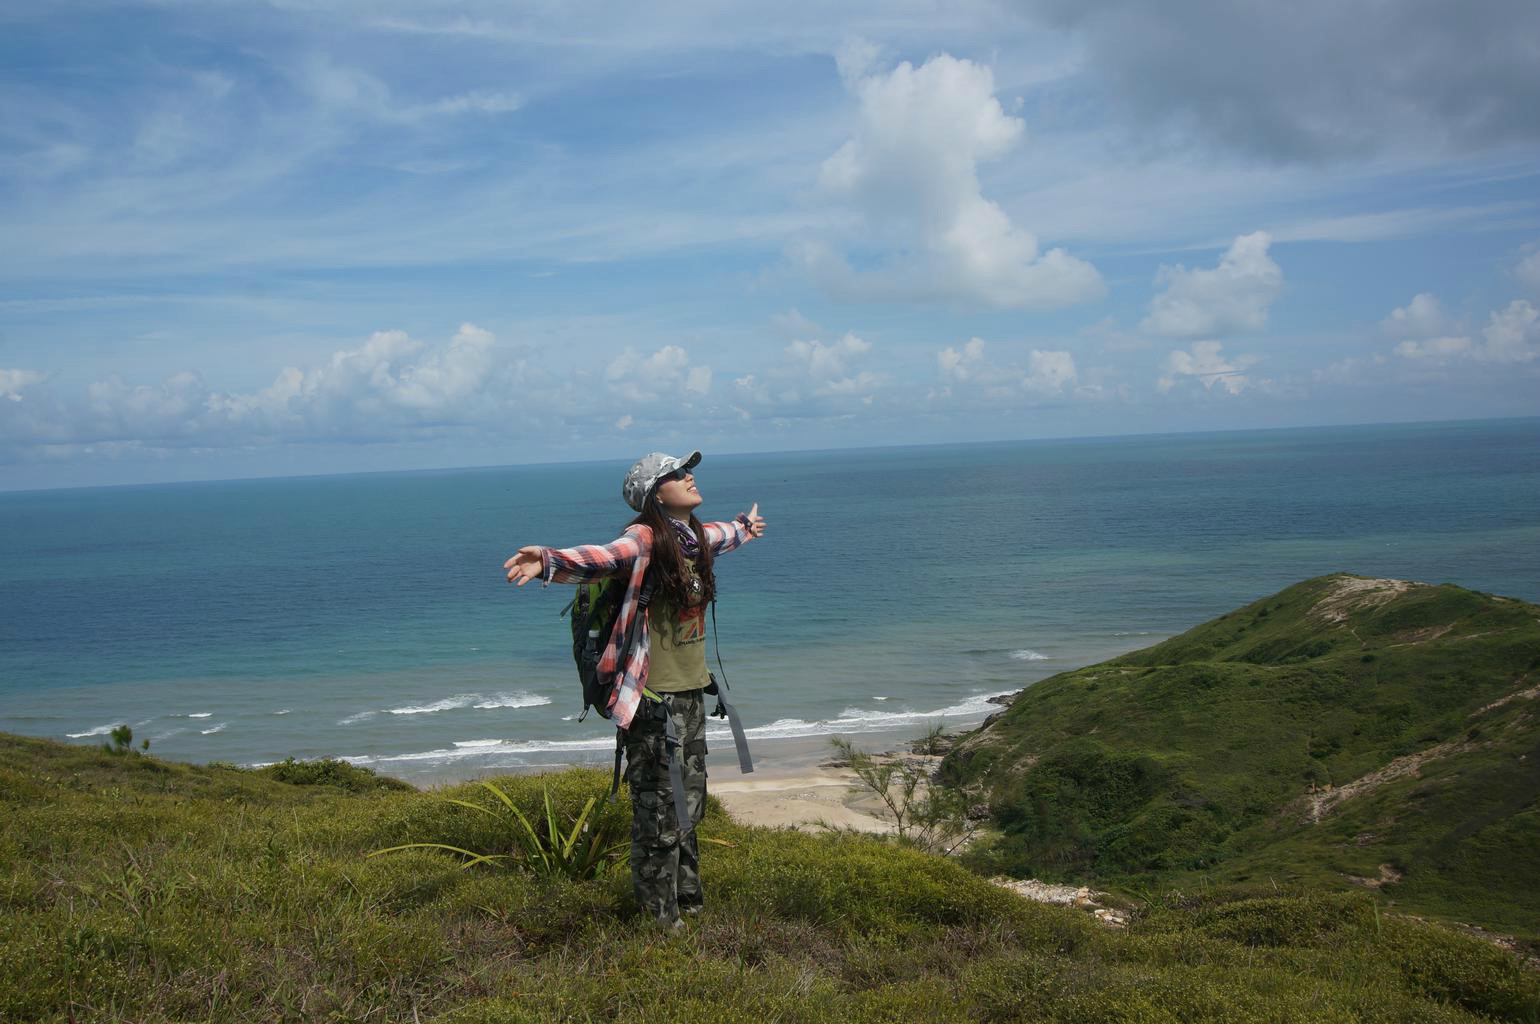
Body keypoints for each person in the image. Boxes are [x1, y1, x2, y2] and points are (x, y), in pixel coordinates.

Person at [502, 450, 766, 928]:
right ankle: (658, 924)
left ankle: (689, 905)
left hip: (689, 696)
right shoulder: (644, 538)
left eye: (689, 471)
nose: (689, 477)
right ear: (654, 493)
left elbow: (720, 536)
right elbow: (602, 559)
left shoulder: (689, 539)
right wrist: (546, 561)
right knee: (659, 815)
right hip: (652, 704)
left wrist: (745, 527)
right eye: (676, 474)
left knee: (689, 808)